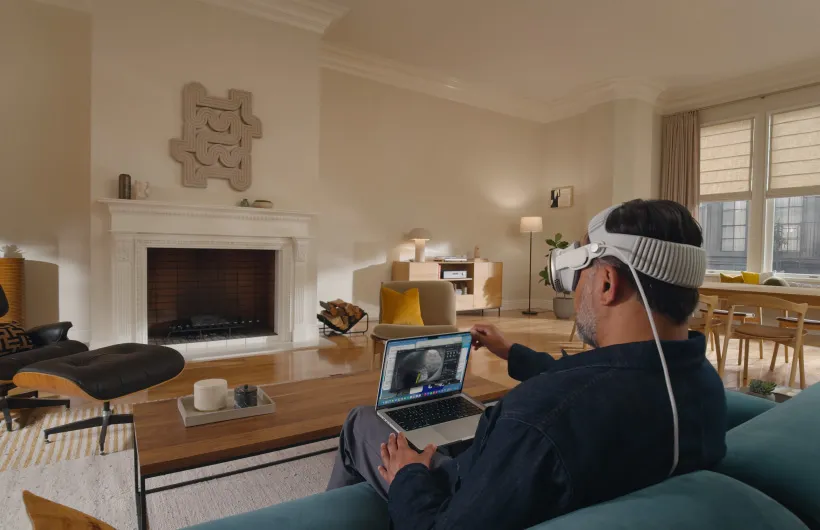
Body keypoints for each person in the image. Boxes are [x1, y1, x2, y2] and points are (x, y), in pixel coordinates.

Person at [327, 199, 726, 530]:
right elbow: (589, 383)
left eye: (580, 273)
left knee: (361, 421)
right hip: (511, 486)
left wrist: (409, 475)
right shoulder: (703, 386)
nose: (576, 288)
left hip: (452, 496)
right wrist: (510, 351)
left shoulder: (537, 419)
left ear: (607, 283)